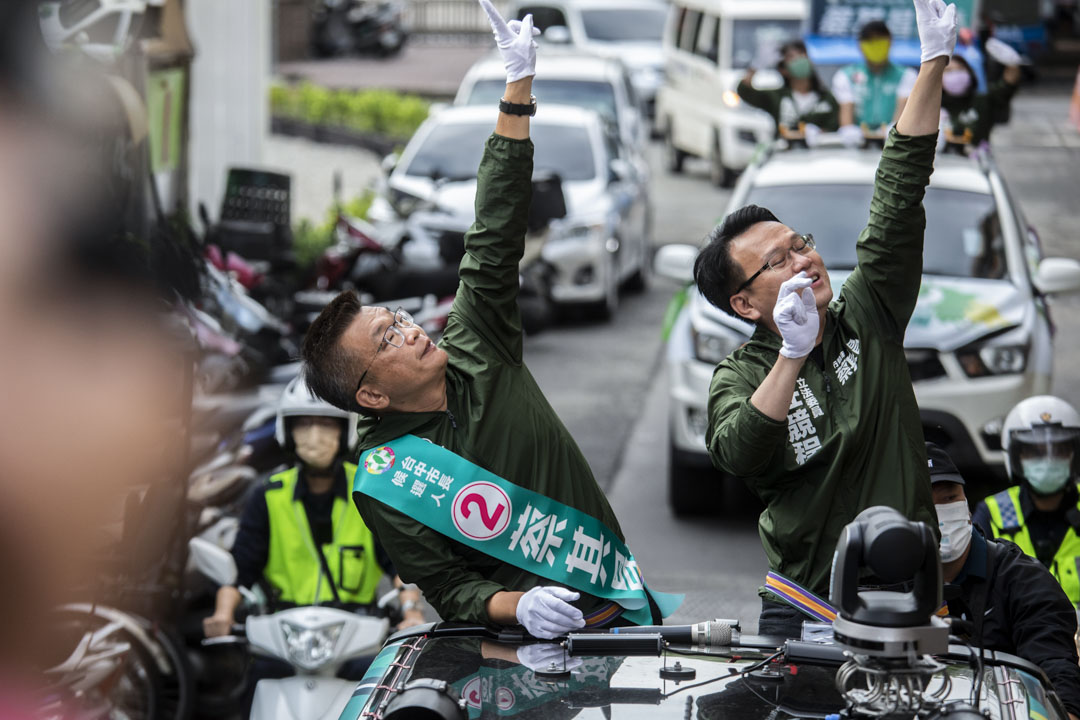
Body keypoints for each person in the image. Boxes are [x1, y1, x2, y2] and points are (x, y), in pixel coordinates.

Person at [299, 0, 677, 640]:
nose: (414, 329)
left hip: (620, 609)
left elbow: (494, 235)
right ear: (370, 393)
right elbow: (447, 586)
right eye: (390, 338)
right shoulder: (387, 478)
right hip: (523, 647)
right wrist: (515, 606)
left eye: (397, 318)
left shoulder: (477, 345)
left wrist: (517, 90)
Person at [693, 0, 956, 638]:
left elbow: (897, 192)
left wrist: (932, 64)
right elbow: (738, 453)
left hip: (907, 589)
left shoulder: (866, 312)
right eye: (778, 262)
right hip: (802, 605)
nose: (804, 261)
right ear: (746, 305)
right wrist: (791, 356)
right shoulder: (739, 375)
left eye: (800, 244)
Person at [202, 376, 425, 637]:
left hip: (355, 636)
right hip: (284, 636)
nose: (315, 435)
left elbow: (400, 565)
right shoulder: (268, 494)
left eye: (326, 423)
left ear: (344, 431)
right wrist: (222, 614)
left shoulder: (369, 489)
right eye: (305, 424)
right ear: (289, 431)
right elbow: (240, 572)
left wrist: (411, 611)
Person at [928, 442, 1080, 720]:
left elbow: (1055, 671)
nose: (942, 515)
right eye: (927, 504)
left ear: (966, 504)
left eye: (950, 498)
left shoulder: (1023, 578)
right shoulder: (884, 582)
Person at [973, 395, 1080, 608]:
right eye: (1035, 452)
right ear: (1015, 456)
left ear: (1074, 454)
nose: (1048, 461)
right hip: (1018, 638)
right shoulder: (993, 512)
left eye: (1059, 450)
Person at [831, 20, 919, 146]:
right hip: (859, 144)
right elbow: (846, 110)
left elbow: (902, 110)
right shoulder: (845, 76)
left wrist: (895, 131)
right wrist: (849, 131)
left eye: (880, 39)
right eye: (870, 41)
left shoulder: (907, 75)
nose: (875, 44)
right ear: (860, 45)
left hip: (892, 144)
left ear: (890, 42)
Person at [736, 40, 839, 144]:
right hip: (785, 155)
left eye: (803, 54)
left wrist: (818, 133)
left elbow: (837, 127)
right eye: (792, 57)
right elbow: (745, 91)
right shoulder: (777, 96)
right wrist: (756, 65)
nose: (800, 59)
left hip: (821, 155)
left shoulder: (826, 99)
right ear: (783, 69)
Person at [938, 39, 1022, 148]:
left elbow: (1007, 84)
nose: (955, 75)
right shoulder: (933, 105)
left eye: (960, 69)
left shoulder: (982, 100)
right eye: (948, 71)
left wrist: (1013, 64)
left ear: (970, 74)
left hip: (977, 161)